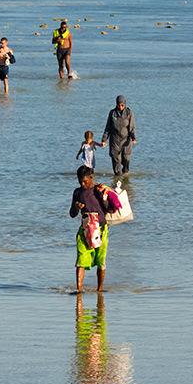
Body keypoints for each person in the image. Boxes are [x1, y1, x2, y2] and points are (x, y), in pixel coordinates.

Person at [70, 164, 120, 297]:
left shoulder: (99, 190)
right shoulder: (77, 192)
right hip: (85, 231)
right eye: (80, 181)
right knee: (81, 260)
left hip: (101, 230)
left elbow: (110, 209)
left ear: (91, 178)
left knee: (100, 261)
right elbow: (72, 214)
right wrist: (76, 207)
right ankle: (79, 290)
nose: (82, 183)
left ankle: (100, 289)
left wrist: (103, 196)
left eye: (85, 181)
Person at [102, 96, 136, 174]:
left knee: (126, 159)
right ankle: (117, 178)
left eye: (122, 105)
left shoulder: (129, 113)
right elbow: (108, 127)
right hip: (115, 140)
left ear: (125, 104)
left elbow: (132, 127)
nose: (120, 107)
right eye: (119, 105)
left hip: (126, 140)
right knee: (116, 159)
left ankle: (126, 177)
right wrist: (104, 139)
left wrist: (133, 137)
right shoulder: (112, 113)